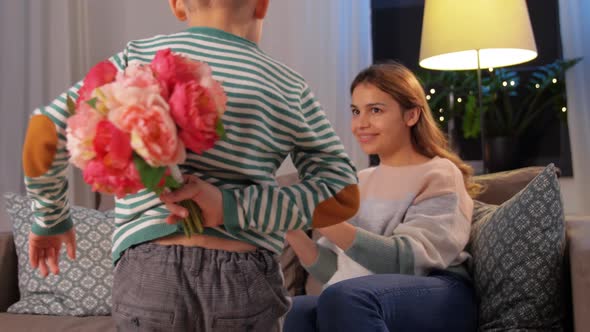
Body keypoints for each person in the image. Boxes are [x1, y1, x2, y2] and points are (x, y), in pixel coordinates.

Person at [20, 0, 360, 330]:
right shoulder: (287, 85)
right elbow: (342, 194)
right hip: (245, 279)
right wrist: (231, 207)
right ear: (262, 5)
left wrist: (51, 217)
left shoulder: (138, 60)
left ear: (177, 5)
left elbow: (44, 132)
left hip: (150, 273)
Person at [283, 62, 480, 332]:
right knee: (295, 309)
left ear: (411, 115)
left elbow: (408, 262)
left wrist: (320, 216)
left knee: (346, 297)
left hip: (442, 292)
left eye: (375, 110)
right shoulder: (359, 181)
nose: (361, 124)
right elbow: (334, 270)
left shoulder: (439, 173)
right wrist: (290, 227)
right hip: (369, 294)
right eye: (356, 111)